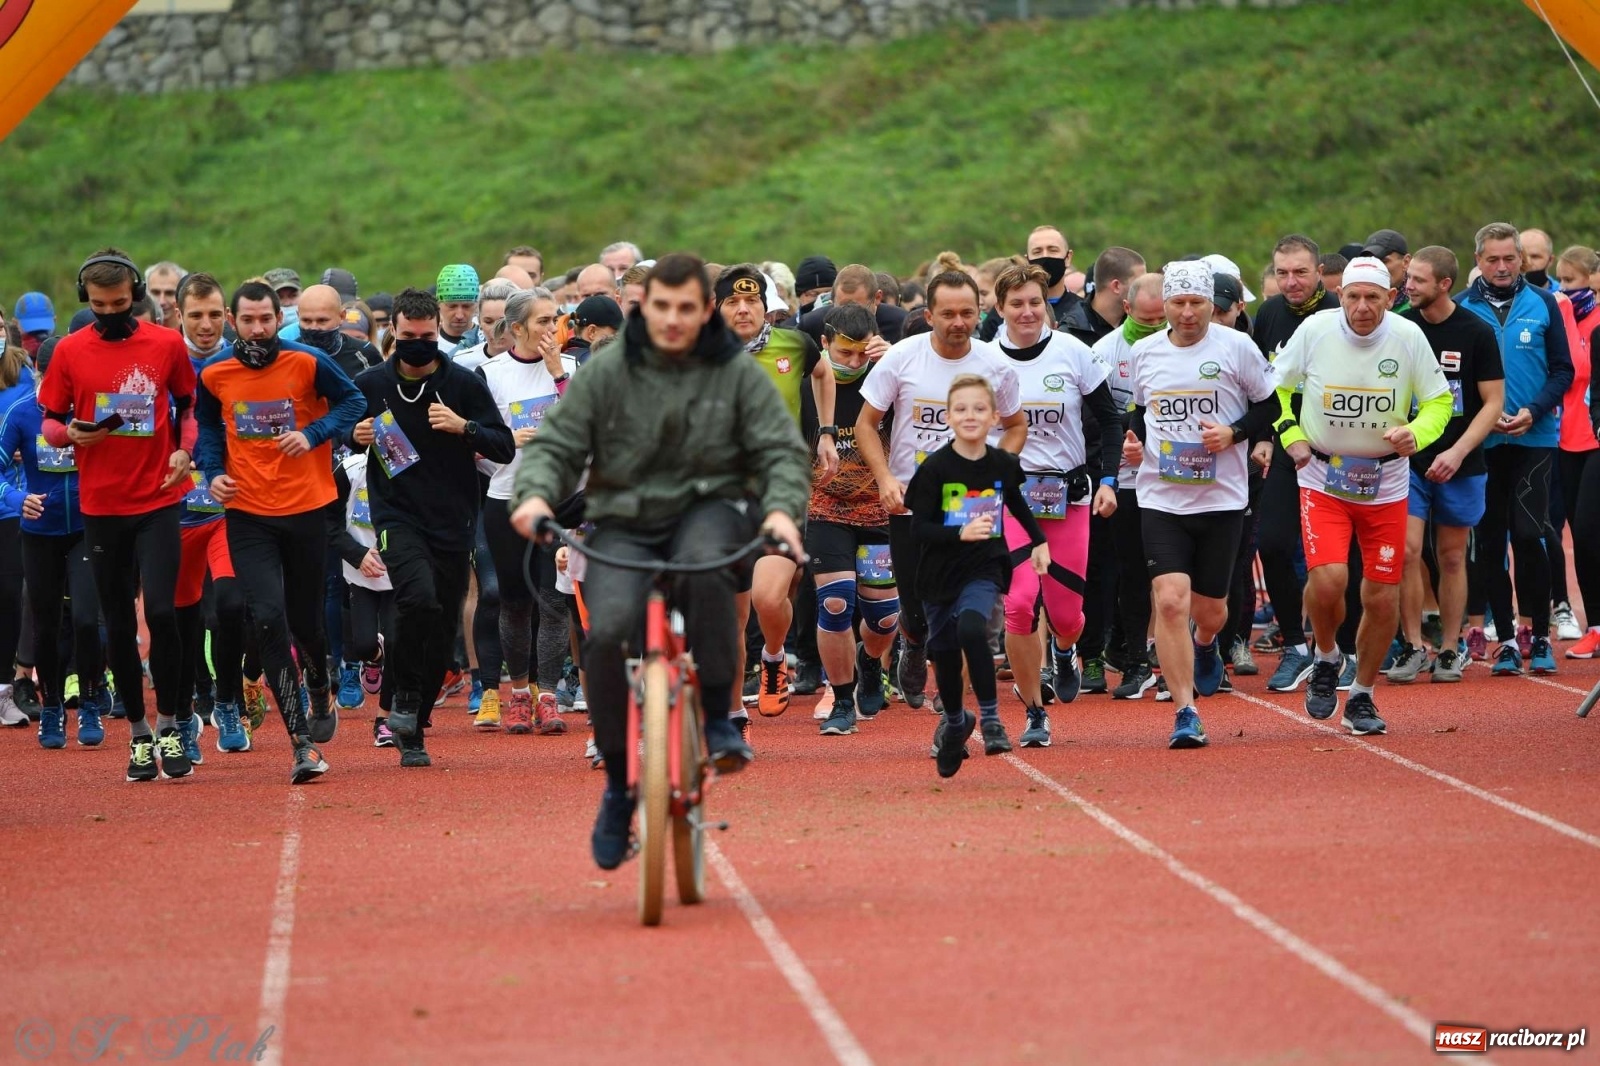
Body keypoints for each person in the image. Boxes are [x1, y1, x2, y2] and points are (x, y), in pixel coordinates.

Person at [510, 252, 810, 870]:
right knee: (606, 633)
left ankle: (725, 722)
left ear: (705, 311)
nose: (674, 320)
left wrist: (781, 510)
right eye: (662, 308)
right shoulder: (608, 369)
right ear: (646, 308)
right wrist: (534, 494)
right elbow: (562, 441)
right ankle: (620, 790)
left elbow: (780, 449)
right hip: (626, 520)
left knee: (709, 582)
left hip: (709, 510)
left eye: (686, 309)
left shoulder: (734, 371)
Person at [1271, 257, 1454, 733]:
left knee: (1381, 596)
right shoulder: (1315, 330)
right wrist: (1290, 432)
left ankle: (1363, 696)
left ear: (1390, 298)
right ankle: (1327, 655)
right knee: (1330, 580)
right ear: (1340, 296)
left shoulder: (1408, 337)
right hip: (1323, 478)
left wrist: (1418, 431)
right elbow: (1278, 386)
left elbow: (1439, 400)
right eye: (1353, 296)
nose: (1362, 306)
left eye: (1373, 297)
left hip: (1387, 482)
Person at [37, 249, 198, 781]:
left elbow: (188, 408)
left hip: (158, 499)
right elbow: (51, 424)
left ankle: (173, 726)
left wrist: (184, 450)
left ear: (136, 296)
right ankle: (137, 734)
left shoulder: (166, 344)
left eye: (119, 303)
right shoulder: (68, 352)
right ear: (87, 299)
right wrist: (71, 434)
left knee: (164, 615)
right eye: (100, 304)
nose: (109, 312)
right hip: (101, 506)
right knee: (117, 623)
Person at [196, 280, 366, 782]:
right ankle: (302, 744)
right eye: (247, 320)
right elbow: (208, 428)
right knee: (268, 619)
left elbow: (352, 402)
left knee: (307, 624)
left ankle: (320, 681)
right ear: (233, 319)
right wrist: (211, 472)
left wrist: (312, 433)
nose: (257, 329)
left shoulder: (305, 361)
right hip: (248, 512)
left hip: (306, 509)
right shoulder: (215, 371)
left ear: (278, 318)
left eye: (265, 320)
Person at [350, 289, 516, 768]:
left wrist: (464, 428)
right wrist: (352, 433)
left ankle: (414, 725)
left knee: (440, 625)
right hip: (396, 516)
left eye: (426, 338)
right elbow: (335, 427)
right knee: (416, 598)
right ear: (394, 334)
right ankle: (402, 701)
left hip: (454, 519)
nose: (417, 344)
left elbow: (503, 446)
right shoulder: (370, 384)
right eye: (408, 337)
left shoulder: (463, 383)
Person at [1121, 262, 1278, 749]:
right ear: (1164, 305)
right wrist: (1134, 442)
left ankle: (1207, 644)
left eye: (1197, 304)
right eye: (1178, 304)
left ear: (1213, 305)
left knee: (1211, 610)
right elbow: (1139, 413)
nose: (1188, 314)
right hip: (1161, 496)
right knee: (1169, 602)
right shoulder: (1144, 351)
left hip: (1222, 497)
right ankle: (1185, 711)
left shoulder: (1236, 348)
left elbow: (1271, 406)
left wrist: (1234, 433)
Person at [856, 270, 1026, 711]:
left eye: (968, 313)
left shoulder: (995, 365)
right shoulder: (902, 358)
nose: (958, 322)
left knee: (965, 601)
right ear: (929, 315)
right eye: (948, 313)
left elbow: (1015, 425)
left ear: (980, 313)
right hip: (912, 502)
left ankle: (956, 705)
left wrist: (996, 473)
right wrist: (885, 478)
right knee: (915, 607)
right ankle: (913, 640)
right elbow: (865, 425)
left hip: (971, 503)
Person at [990, 263, 1120, 749]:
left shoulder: (1074, 353)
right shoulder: (985, 361)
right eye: (1016, 304)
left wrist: (1107, 480)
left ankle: (1065, 651)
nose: (1027, 312)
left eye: (1035, 302)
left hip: (1070, 497)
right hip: (1009, 498)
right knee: (1020, 605)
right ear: (999, 308)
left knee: (1067, 616)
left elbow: (1110, 420)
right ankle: (1032, 710)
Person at [907, 373, 1049, 777]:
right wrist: (959, 532)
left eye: (980, 409)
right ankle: (955, 722)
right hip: (939, 574)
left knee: (973, 629)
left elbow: (1017, 505)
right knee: (947, 660)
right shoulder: (935, 469)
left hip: (985, 566)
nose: (970, 416)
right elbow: (918, 529)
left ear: (994, 418)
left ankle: (991, 719)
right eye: (962, 409)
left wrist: (1039, 542)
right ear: (948, 417)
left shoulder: (1002, 464)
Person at [714, 263, 836, 720]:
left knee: (768, 597)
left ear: (766, 308)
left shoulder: (795, 343)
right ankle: (732, 717)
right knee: (732, 616)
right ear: (716, 308)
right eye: (732, 301)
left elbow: (824, 375)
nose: (743, 309)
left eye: (752, 301)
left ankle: (774, 655)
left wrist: (825, 431)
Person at [1457, 223, 1574, 676]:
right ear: (1478, 260)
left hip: (1535, 437)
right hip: (1482, 441)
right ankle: (1505, 640)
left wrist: (1533, 409)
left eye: (1510, 258)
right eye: (1493, 259)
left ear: (1521, 260)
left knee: (1529, 535)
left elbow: (1563, 370)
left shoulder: (1544, 303)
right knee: (1488, 542)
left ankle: (1538, 635)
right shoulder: (1464, 308)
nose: (1502, 267)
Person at [1388, 247, 1504, 684]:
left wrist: (1456, 453)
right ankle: (1414, 644)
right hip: (1408, 459)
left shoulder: (1475, 331)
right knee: (1406, 552)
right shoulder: (1399, 328)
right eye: (1407, 278)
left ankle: (1451, 648)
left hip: (1461, 460)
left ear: (1443, 284)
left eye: (1417, 280)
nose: (1407, 286)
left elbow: (1493, 403)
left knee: (1452, 556)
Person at [1, 336, 108, 745]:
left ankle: (93, 700)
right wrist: (15, 497)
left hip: (87, 529)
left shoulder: (94, 411)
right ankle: (51, 709)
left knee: (84, 619)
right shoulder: (22, 414)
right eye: (54, 375)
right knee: (45, 627)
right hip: (39, 533)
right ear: (38, 372)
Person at [478, 288, 571, 735]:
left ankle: (549, 695)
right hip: (506, 499)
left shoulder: (571, 369)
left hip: (559, 502)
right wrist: (501, 449)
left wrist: (556, 374)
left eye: (555, 321)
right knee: (514, 601)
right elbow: (472, 438)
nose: (551, 331)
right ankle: (518, 694)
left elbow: (585, 430)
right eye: (542, 323)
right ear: (516, 328)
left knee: (553, 601)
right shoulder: (490, 373)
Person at [804, 303, 897, 737]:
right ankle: (842, 698)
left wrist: (893, 362)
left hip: (880, 509)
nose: (854, 362)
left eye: (862, 353)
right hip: (824, 507)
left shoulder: (889, 375)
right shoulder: (810, 382)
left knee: (883, 619)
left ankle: (870, 661)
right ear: (824, 345)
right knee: (836, 602)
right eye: (844, 353)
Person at [1253, 235, 1340, 693]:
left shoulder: (1341, 312)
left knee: (1339, 559)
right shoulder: (1268, 314)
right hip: (1290, 447)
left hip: (1339, 452)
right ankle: (1295, 645)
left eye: (1300, 272)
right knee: (1271, 542)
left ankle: (1344, 647)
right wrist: (1267, 438)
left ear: (1319, 270)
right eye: (1282, 272)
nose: (1291, 282)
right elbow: (1262, 385)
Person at [1093, 272, 1168, 700]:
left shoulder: (1187, 346)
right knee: (1132, 573)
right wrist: (1128, 428)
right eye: (1147, 320)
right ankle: (1136, 661)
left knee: (1176, 573)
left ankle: (1189, 652)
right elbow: (1098, 416)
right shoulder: (1105, 351)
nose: (1157, 327)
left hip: (1177, 479)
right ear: (1126, 308)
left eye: (1163, 319)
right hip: (1125, 479)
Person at [1554, 246, 1600, 658]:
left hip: (1596, 437)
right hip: (1565, 437)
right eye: (1561, 281)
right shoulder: (1565, 315)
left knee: (1588, 528)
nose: (1565, 289)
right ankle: (1596, 626)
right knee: (1581, 538)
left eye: (1572, 281)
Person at [436, 264, 482, 353]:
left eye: (466, 306)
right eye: (452, 306)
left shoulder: (488, 342)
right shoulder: (430, 344)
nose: (459, 315)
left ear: (477, 305)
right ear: (438, 305)